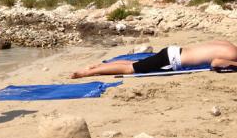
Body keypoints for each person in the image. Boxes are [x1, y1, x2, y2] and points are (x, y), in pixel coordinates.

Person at [70, 40, 237, 79]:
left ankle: (98, 66)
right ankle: (87, 73)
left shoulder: (229, 45)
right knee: (130, 69)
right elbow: (216, 63)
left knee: (134, 64)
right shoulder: (233, 55)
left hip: (175, 50)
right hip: (173, 60)